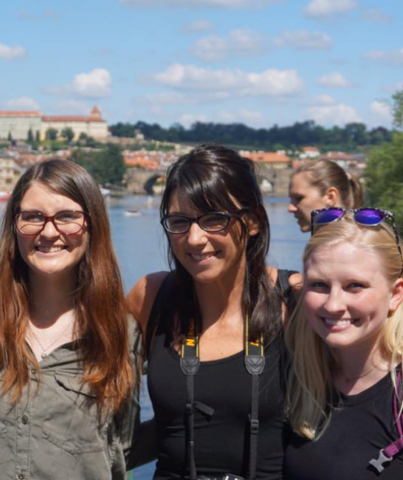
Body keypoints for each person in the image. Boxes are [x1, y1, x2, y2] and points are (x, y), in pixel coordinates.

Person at [0, 159, 142, 480]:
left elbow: (122, 448)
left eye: (67, 217)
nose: (49, 231)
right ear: (14, 226)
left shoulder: (120, 334)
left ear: (92, 224)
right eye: (32, 217)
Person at [126, 144, 298, 480]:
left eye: (214, 219)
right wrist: (11, 296)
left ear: (251, 223)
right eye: (180, 222)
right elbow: (78, 356)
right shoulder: (149, 297)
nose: (194, 238)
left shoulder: (295, 300)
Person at [284, 208, 403, 479]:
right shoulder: (300, 383)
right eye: (319, 285)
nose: (334, 304)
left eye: (355, 286)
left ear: (396, 294)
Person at [288, 159, 363, 233]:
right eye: (291, 199)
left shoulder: (345, 244)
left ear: (330, 197)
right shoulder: (360, 239)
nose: (290, 208)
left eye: (299, 198)